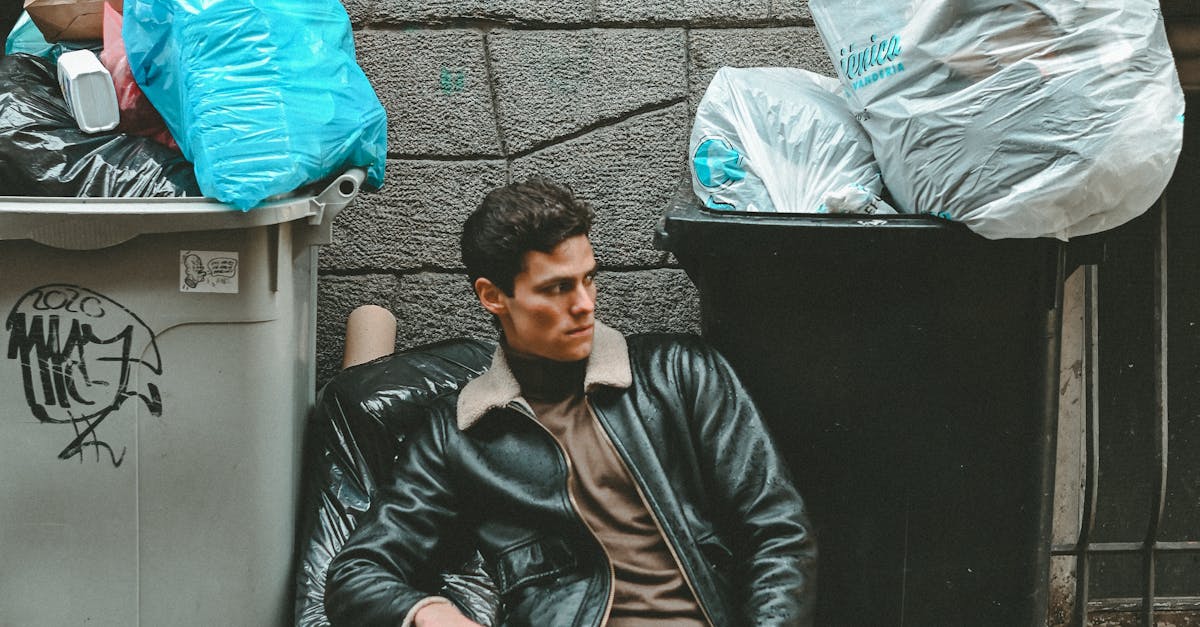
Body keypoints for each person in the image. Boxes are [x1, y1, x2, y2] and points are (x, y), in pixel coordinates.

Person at [324, 177, 816, 626]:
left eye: (588, 279)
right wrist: (430, 613)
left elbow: (777, 529)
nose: (584, 304)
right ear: (493, 297)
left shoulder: (680, 373)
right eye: (558, 288)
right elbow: (358, 573)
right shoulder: (459, 435)